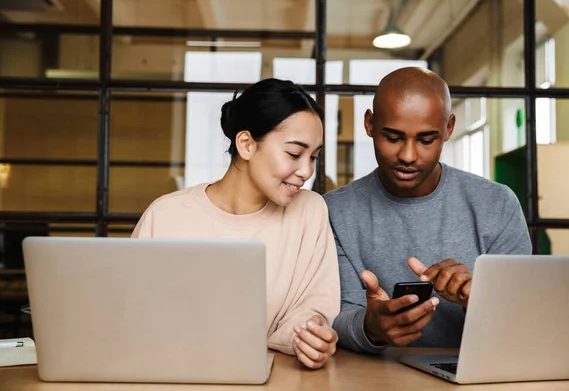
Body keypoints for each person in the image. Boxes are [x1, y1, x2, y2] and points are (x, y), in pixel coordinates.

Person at [132, 78, 340, 369]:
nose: (306, 171)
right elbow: (133, 316)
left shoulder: (310, 211)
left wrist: (310, 334)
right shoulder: (166, 215)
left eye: (314, 157)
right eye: (294, 153)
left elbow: (311, 306)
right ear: (246, 144)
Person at [324, 67, 531, 354]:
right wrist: (370, 327)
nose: (408, 156)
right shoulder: (334, 212)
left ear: (448, 129)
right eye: (393, 137)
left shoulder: (497, 205)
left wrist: (479, 299)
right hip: (372, 379)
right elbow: (335, 316)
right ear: (369, 124)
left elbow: (525, 320)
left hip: (472, 375)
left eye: (425, 140)